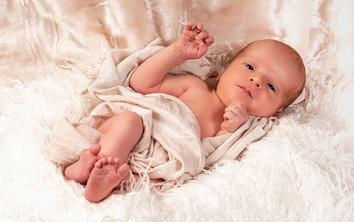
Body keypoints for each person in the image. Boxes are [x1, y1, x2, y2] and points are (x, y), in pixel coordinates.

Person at [64, 22, 306, 203]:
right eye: (250, 67)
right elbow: (141, 84)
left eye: (271, 86)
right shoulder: (194, 86)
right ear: (223, 72)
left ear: (275, 112)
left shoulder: (244, 131)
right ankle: (100, 165)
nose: (256, 80)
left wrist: (229, 130)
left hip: (163, 163)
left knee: (163, 183)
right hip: (136, 136)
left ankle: (97, 176)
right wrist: (176, 53)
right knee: (130, 120)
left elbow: (211, 156)